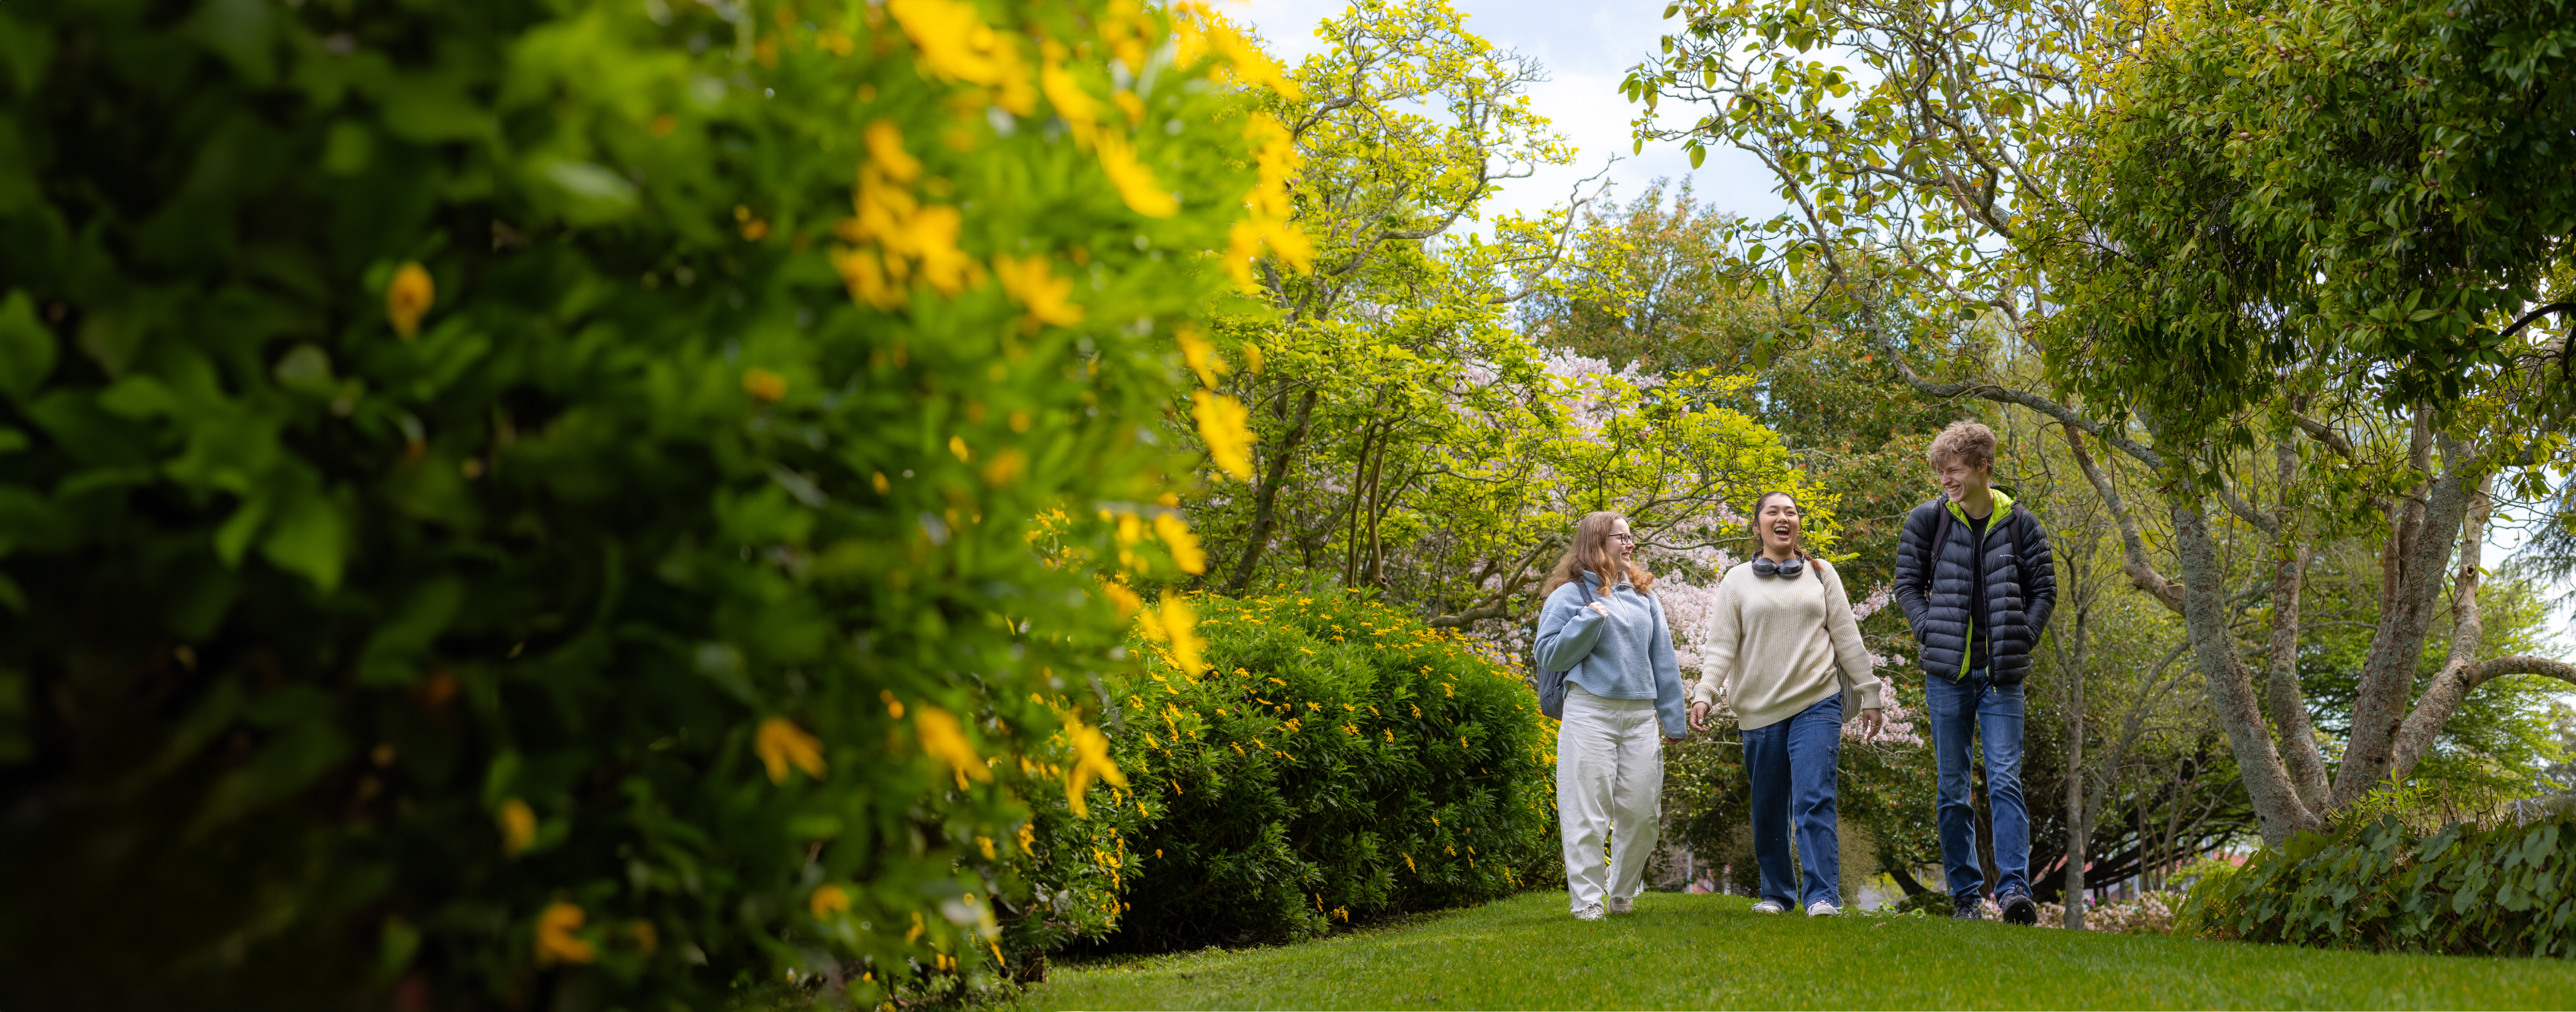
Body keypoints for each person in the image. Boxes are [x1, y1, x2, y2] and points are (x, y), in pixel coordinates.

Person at [1687, 490, 1884, 916]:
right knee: (1768, 805)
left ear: (1797, 524)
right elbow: (1721, 646)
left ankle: (1822, 897)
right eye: (1772, 512)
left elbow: (1847, 636)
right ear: (1757, 525)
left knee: (1814, 797)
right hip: (1759, 708)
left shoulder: (1820, 573)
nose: (1783, 518)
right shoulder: (1736, 580)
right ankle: (1777, 894)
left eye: (1790, 512)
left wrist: (1869, 691)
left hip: (1818, 699)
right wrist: (1705, 693)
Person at [1891, 421, 2056, 925]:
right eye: (1941, 471)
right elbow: (1906, 586)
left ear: (1984, 467)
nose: (1946, 479)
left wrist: (2022, 636)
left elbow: (2044, 591)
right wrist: (1927, 631)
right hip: (1947, 677)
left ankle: (2013, 894)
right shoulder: (1927, 521)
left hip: (2002, 677)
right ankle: (1966, 897)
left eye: (1955, 470)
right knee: (1952, 786)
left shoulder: (2022, 524)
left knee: (2005, 779)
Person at [1533, 511, 1687, 921]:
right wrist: (1587, 620)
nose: (1630, 544)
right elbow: (1548, 654)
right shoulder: (1568, 596)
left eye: (1631, 537)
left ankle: (1620, 891)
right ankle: (1586, 901)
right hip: (1590, 712)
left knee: (1642, 814)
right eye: (1621, 537)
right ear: (1597, 543)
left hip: (1639, 718)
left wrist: (1674, 720)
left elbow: (1664, 661)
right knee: (1586, 810)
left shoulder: (1642, 596)